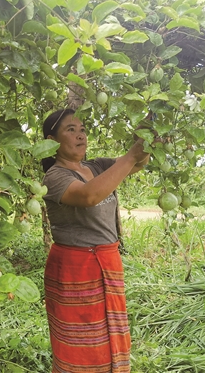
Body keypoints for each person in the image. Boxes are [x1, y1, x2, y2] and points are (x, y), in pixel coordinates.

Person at [41, 108, 151, 373]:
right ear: (52, 140)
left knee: (111, 337)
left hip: (107, 262)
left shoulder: (96, 166)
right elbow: (89, 196)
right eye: (71, 130)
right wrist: (133, 153)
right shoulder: (54, 177)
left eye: (82, 130)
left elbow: (136, 163)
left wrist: (149, 131)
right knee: (80, 346)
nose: (80, 136)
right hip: (74, 269)